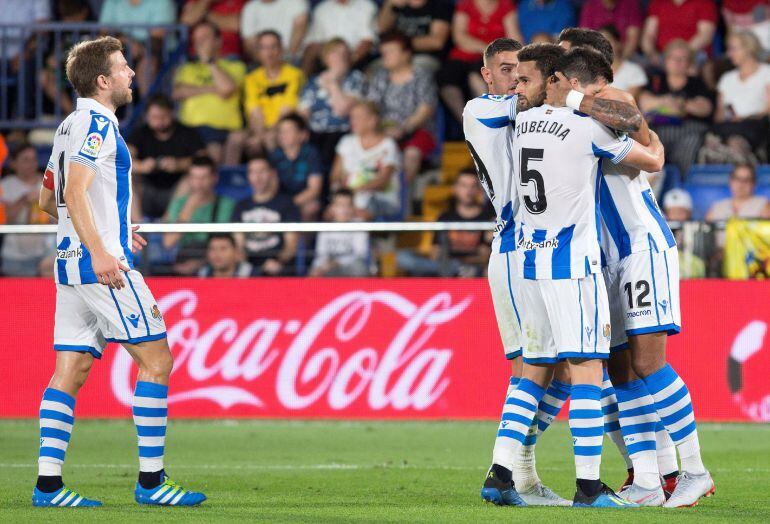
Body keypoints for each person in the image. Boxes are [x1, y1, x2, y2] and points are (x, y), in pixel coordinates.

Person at [466, 36, 650, 507]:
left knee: (540, 371)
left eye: (521, 75)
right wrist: (574, 96)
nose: (514, 84)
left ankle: (505, 472)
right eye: (508, 72)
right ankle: (589, 484)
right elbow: (641, 142)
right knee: (585, 369)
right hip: (554, 258)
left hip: (527, 253)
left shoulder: (524, 120)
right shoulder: (496, 110)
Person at [32, 36, 205, 508]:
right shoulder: (98, 127)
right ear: (103, 80)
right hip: (100, 266)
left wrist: (112, 223)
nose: (132, 74)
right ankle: (152, 482)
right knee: (157, 362)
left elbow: (49, 200)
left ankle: (48, 486)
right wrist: (103, 248)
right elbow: (81, 191)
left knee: (71, 369)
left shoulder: (68, 126)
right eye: (124, 68)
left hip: (68, 265)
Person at [551, 38, 714, 506]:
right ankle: (646, 477)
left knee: (648, 363)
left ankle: (695, 470)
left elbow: (635, 126)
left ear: (580, 70)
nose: (555, 73)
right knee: (619, 372)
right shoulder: (568, 115)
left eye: (563, 63)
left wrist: (576, 100)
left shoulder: (612, 98)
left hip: (640, 246)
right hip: (603, 256)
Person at [366, 32, 437, 183]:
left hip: (417, 131)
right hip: (383, 130)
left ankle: (403, 198)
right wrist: (379, 130)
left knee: (411, 154)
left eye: (390, 52)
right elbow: (370, 107)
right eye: (383, 52)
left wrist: (403, 129)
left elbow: (425, 109)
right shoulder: (379, 77)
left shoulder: (422, 76)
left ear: (406, 54)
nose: (385, 56)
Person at [172, 21, 246, 164]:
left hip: (222, 129)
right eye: (197, 39)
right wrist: (212, 89)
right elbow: (178, 92)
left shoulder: (235, 66)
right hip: (189, 128)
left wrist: (209, 62)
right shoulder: (188, 68)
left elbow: (226, 89)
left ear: (218, 41)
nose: (200, 43)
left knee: (214, 152)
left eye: (205, 38)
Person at [396, 169, 494, 277]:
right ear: (455, 189)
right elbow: (435, 252)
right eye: (464, 185)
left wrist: (466, 261)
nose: (468, 191)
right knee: (403, 258)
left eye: (472, 186)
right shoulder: (445, 217)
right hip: (446, 266)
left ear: (479, 190)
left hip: (474, 268)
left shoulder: (487, 217)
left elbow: (486, 255)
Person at [638, 39, 714, 176]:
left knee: (691, 142)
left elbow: (705, 108)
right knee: (646, 139)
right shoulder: (656, 80)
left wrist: (680, 105)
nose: (678, 62)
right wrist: (670, 102)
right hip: (659, 128)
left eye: (683, 59)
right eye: (674, 58)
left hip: (688, 130)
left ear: (689, 63)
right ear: (666, 60)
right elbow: (644, 102)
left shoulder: (696, 83)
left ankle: (681, 183)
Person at [127, 94, 206, 220]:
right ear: (147, 117)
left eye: (163, 117)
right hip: (146, 190)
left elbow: (205, 162)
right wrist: (142, 166)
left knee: (191, 179)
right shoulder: (140, 133)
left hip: (177, 192)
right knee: (127, 177)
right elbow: (123, 160)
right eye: (154, 117)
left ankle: (166, 223)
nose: (159, 121)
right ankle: (139, 226)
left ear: (172, 114)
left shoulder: (187, 133)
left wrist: (178, 164)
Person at [437, 0, 518, 124]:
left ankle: (490, 117)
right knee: (446, 76)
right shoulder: (465, 5)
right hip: (465, 54)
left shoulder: (505, 5)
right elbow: (459, 37)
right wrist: (487, 49)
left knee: (478, 75)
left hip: (494, 57)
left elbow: (514, 37)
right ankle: (466, 121)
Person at [298, 39, 367, 173]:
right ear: (326, 57)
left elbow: (342, 110)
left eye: (344, 53)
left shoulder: (356, 78)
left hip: (343, 131)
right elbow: (304, 113)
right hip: (315, 133)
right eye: (335, 53)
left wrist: (333, 83)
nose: (340, 57)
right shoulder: (313, 81)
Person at [163, 155, 236, 276]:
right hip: (184, 260)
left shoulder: (227, 204)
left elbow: (231, 245)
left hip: (215, 264)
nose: (199, 183)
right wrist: (187, 210)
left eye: (204, 178)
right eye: (195, 178)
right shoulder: (178, 204)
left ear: (214, 178)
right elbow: (168, 242)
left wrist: (200, 264)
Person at [331, 101, 402, 220]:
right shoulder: (346, 142)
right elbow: (335, 175)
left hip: (379, 200)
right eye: (352, 117)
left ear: (373, 120)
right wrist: (341, 195)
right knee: (334, 211)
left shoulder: (388, 145)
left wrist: (354, 192)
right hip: (349, 199)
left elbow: (382, 181)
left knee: (359, 212)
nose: (353, 121)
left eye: (358, 117)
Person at [241, 30, 305, 157]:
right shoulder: (251, 78)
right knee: (243, 140)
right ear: (258, 52)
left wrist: (271, 132)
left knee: (270, 139)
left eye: (273, 47)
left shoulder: (295, 75)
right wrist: (260, 134)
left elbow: (287, 110)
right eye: (264, 48)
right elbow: (254, 111)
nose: (269, 53)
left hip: (285, 126)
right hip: (259, 128)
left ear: (281, 50)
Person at [232, 157, 300, 275]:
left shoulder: (287, 204)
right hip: (248, 270)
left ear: (272, 173)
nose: (257, 177)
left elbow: (291, 245)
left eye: (262, 171)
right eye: (253, 172)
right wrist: (249, 267)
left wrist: (279, 262)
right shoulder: (241, 206)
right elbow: (238, 245)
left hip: (279, 269)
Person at [713, 31, 770, 161]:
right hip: (729, 127)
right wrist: (730, 117)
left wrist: (745, 117)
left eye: (733, 49)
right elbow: (720, 114)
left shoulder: (767, 73)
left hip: (756, 125)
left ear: (749, 48)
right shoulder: (727, 78)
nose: (729, 54)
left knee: (749, 128)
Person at [0, 143, 54, 276]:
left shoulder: (47, 183)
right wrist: (24, 200)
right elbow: (5, 218)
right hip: (15, 257)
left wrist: (47, 201)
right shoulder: (5, 185)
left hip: (46, 255)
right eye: (25, 160)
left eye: (34, 159)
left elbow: (61, 216)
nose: (31, 164)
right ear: (13, 163)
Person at [269, 113, 324, 220]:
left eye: (288, 131)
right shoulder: (274, 156)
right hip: (281, 200)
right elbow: (271, 187)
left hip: (304, 200)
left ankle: (303, 237)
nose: (282, 135)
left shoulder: (311, 153)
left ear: (302, 134)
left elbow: (314, 189)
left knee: (311, 207)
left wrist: (291, 203)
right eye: (280, 131)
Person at [301, 0, 378, 74]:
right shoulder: (322, 9)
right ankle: (302, 81)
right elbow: (314, 41)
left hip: (356, 59)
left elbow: (368, 41)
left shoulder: (367, 6)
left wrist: (350, 60)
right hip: (327, 58)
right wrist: (329, 59)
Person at [377, 0, 453, 73]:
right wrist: (389, 5)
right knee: (374, 71)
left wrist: (399, 45)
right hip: (392, 56)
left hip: (424, 57)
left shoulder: (439, 6)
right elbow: (381, 29)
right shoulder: (397, 5)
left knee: (406, 74)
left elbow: (437, 42)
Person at [310, 189, 371, 276]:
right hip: (330, 268)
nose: (344, 210)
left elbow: (359, 254)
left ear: (353, 208)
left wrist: (336, 262)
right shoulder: (325, 227)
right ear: (332, 207)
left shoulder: (359, 225)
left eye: (348, 205)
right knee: (316, 271)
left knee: (358, 268)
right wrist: (318, 267)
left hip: (350, 268)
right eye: (340, 205)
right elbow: (320, 254)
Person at [641, 0, 718, 66]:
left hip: (693, 54)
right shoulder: (658, 3)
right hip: (662, 55)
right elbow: (648, 35)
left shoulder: (704, 3)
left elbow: (705, 36)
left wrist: (680, 55)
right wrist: (651, 53)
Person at [241, 0, 310, 61]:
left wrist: (287, 58)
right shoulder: (250, 7)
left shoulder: (296, 2)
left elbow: (299, 31)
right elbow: (249, 42)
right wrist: (266, 62)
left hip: (293, 58)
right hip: (262, 62)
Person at [662, 188, 706, 279]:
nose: (676, 216)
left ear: (689, 213)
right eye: (672, 211)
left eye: (680, 212)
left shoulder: (698, 231)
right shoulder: (660, 232)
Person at [579, 0, 643, 60]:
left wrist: (620, 64)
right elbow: (585, 39)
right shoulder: (590, 6)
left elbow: (632, 40)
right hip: (597, 58)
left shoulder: (630, 3)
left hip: (627, 55)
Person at [180, 0, 246, 58]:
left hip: (229, 57)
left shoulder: (239, 2)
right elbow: (186, 21)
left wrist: (203, 13)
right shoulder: (198, 1)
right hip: (194, 58)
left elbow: (238, 24)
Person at [705, 164, 770, 222]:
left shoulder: (763, 205)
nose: (741, 184)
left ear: (753, 184)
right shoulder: (717, 207)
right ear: (730, 181)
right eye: (737, 179)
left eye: (746, 180)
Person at [600, 24, 647, 98]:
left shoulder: (634, 70)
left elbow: (628, 102)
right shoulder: (590, 73)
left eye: (607, 41)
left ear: (618, 43)